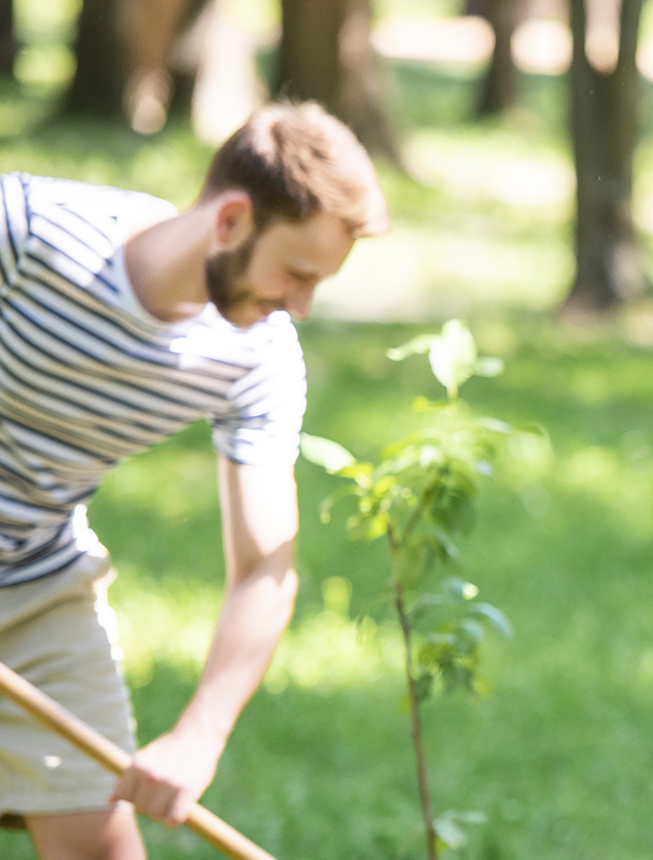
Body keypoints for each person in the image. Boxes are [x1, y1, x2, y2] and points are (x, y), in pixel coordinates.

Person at [0, 101, 387, 859]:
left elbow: (264, 570)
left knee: (101, 848)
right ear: (232, 219)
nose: (300, 307)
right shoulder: (28, 229)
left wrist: (199, 735)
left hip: (34, 582)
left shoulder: (258, 358)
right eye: (297, 273)